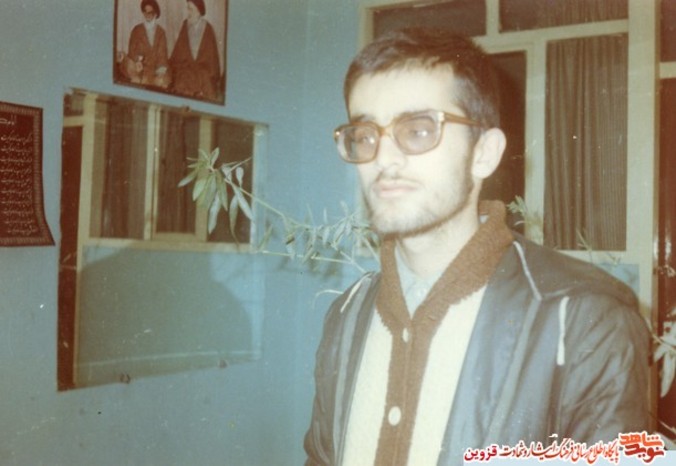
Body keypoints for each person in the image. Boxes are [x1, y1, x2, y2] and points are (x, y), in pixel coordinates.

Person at [304, 28, 649, 465]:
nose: (383, 159)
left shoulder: (584, 321)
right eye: (366, 135)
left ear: (484, 153)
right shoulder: (347, 314)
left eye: (418, 130)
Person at [169, 0, 221, 102]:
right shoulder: (185, 25)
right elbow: (177, 53)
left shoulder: (208, 29)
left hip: (202, 71)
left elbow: (212, 61)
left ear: (198, 11)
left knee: (205, 84)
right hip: (186, 69)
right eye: (187, 8)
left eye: (190, 9)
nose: (188, 13)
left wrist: (198, 68)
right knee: (180, 81)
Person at [120, 0, 169, 88]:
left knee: (161, 81)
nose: (147, 15)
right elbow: (131, 51)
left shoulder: (161, 33)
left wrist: (160, 72)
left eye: (150, 12)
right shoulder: (136, 30)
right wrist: (137, 61)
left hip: (153, 70)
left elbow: (162, 56)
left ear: (156, 14)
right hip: (137, 68)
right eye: (145, 12)